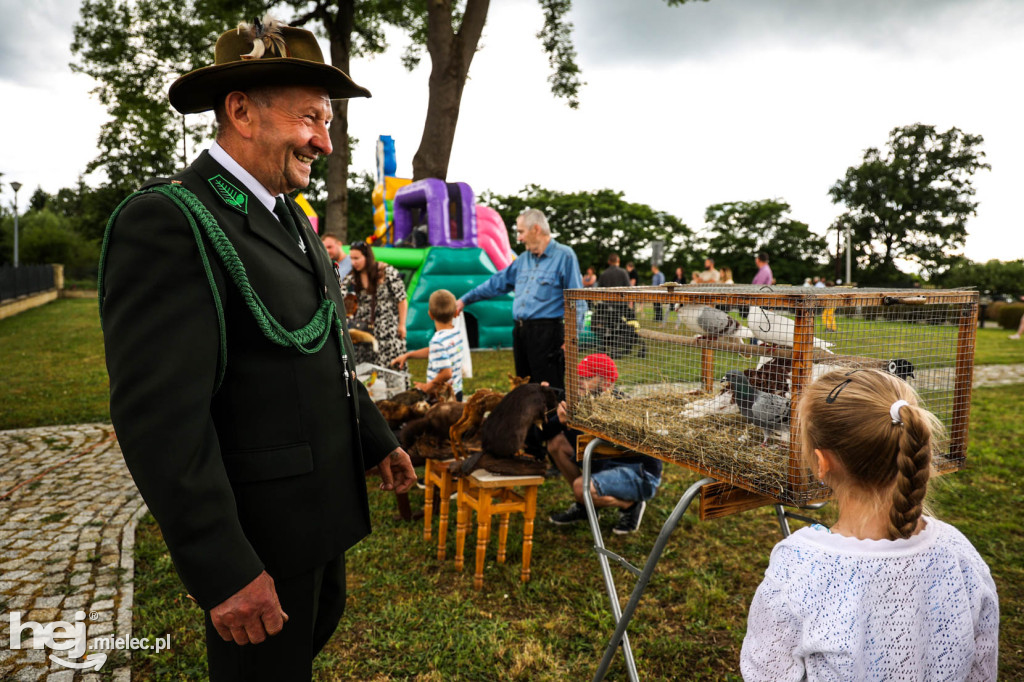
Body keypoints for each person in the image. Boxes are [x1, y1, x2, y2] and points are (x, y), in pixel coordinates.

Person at [98, 18, 416, 681]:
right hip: (258, 541)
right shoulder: (172, 219)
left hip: (317, 520)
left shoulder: (289, 215)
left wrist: (377, 439)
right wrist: (225, 568)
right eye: (309, 119)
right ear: (240, 111)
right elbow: (161, 419)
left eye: (327, 123)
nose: (324, 142)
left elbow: (320, 350)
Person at [741, 369, 999, 681]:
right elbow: (982, 669)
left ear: (822, 463)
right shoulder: (959, 553)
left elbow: (766, 672)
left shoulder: (798, 567)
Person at [455, 208, 584, 390]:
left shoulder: (565, 256)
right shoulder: (523, 259)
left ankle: (552, 419)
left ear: (536, 229)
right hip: (521, 332)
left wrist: (572, 339)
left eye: (521, 231)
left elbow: (577, 300)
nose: (519, 238)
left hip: (547, 334)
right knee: (524, 388)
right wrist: (464, 300)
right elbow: (496, 283)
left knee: (548, 391)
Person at [545, 354, 662, 534]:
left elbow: (608, 456)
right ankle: (585, 507)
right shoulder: (582, 402)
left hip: (639, 473)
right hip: (605, 464)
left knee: (580, 487)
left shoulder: (622, 407)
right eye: (578, 377)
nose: (579, 382)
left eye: (587, 378)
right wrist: (559, 420)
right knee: (556, 443)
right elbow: (542, 435)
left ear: (606, 383)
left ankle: (631, 505)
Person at [344, 241, 408, 389]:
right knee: (366, 371)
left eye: (357, 258)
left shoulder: (386, 271)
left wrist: (402, 324)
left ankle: (394, 398)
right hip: (364, 332)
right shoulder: (353, 277)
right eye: (351, 259)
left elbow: (402, 299)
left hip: (387, 329)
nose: (354, 262)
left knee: (389, 368)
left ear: (367, 256)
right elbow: (339, 293)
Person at [391, 289, 464, 401]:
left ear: (430, 314)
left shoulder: (437, 341)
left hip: (441, 397)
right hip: (457, 392)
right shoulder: (456, 333)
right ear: (455, 313)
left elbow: (446, 373)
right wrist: (408, 355)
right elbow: (435, 351)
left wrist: (427, 387)